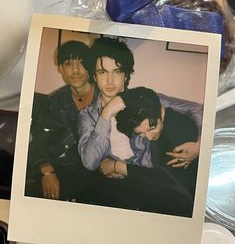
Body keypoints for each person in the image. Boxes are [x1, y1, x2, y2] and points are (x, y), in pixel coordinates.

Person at [78, 36, 203, 216]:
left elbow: (197, 109)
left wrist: (200, 145)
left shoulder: (143, 99)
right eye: (103, 72)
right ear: (94, 75)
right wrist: (106, 113)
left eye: (117, 71)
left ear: (126, 74)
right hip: (113, 186)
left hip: (147, 180)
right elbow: (90, 163)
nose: (110, 80)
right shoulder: (86, 115)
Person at [25, 40, 99, 201]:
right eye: (68, 64)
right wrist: (47, 171)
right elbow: (39, 141)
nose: (75, 70)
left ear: (90, 65)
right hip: (62, 167)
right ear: (61, 69)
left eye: (81, 62)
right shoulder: (55, 101)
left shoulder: (105, 96)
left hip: (96, 171)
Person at [115, 87, 199, 198]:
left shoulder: (180, 131)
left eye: (151, 128)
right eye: (141, 133)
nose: (149, 137)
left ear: (162, 111)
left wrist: (117, 167)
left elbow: (162, 181)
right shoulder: (153, 116)